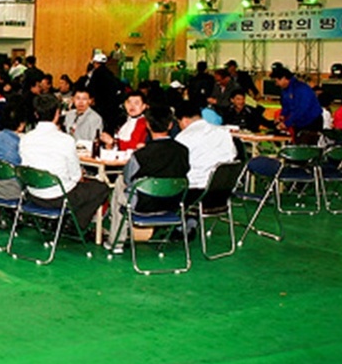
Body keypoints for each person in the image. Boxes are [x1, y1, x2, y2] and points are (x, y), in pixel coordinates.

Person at [19, 93, 109, 234]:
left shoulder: (25, 139)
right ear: (57, 114)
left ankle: (60, 221)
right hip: (59, 197)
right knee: (101, 188)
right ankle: (73, 225)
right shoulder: (65, 140)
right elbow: (76, 177)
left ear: (36, 114)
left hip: (33, 194)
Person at [106, 104, 190, 252]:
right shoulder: (183, 151)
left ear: (148, 125)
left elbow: (128, 179)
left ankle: (116, 242)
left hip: (143, 204)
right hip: (173, 203)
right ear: (171, 125)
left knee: (120, 183)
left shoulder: (141, 155)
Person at [172, 100, 237, 196]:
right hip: (224, 190)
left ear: (184, 120)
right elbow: (233, 156)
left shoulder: (183, 138)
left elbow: (177, 167)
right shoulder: (224, 133)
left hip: (194, 191)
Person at [271, 65, 322, 135]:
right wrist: (282, 115)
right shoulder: (285, 90)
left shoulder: (301, 89)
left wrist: (287, 123)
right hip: (299, 122)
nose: (276, 84)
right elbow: (286, 106)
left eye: (277, 81)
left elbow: (301, 109)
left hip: (311, 122)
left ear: (284, 78)